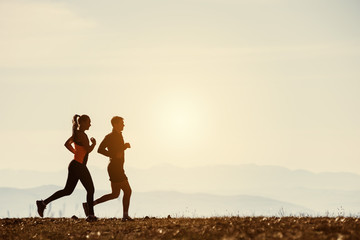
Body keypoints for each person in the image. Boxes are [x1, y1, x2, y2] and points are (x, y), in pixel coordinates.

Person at [36, 114, 97, 222]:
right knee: (90, 189)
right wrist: (94, 144)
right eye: (89, 122)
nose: (90, 124)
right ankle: (91, 215)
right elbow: (88, 150)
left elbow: (67, 144)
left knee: (67, 191)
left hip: (74, 165)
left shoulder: (76, 134)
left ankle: (43, 203)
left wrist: (76, 153)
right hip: (79, 166)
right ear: (82, 123)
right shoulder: (82, 135)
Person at [83, 116, 133, 221]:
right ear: (115, 124)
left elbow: (104, 150)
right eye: (121, 123)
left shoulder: (117, 135)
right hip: (115, 168)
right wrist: (118, 151)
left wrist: (115, 153)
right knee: (127, 191)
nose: (123, 125)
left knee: (115, 194)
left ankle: (90, 204)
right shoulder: (112, 136)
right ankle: (125, 216)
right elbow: (101, 150)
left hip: (116, 167)